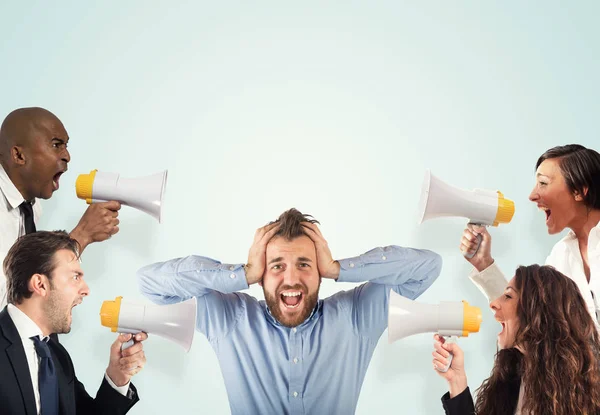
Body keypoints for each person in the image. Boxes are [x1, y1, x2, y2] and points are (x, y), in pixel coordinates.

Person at [137, 208, 442, 415]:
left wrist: (339, 268)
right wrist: (239, 274)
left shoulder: (356, 317)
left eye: (305, 265)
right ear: (262, 276)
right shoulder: (229, 319)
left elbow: (427, 267)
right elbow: (151, 283)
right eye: (277, 266)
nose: (292, 279)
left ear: (320, 271)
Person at [0, 230, 147, 414]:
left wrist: (118, 376)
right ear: (40, 284)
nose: (86, 290)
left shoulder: (57, 356)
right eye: (75, 277)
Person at [460, 144, 600, 329]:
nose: (532, 195)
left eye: (543, 183)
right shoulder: (561, 256)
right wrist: (483, 263)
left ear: (579, 191)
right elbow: (530, 320)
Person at [432, 264, 600, 415]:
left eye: (508, 296)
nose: (493, 304)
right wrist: (457, 380)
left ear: (538, 313)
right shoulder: (515, 379)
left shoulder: (583, 394)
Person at [0, 107, 122, 307]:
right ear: (19, 155)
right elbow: (9, 305)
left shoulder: (30, 205)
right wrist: (81, 236)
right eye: (56, 145)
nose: (67, 156)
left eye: (65, 146)